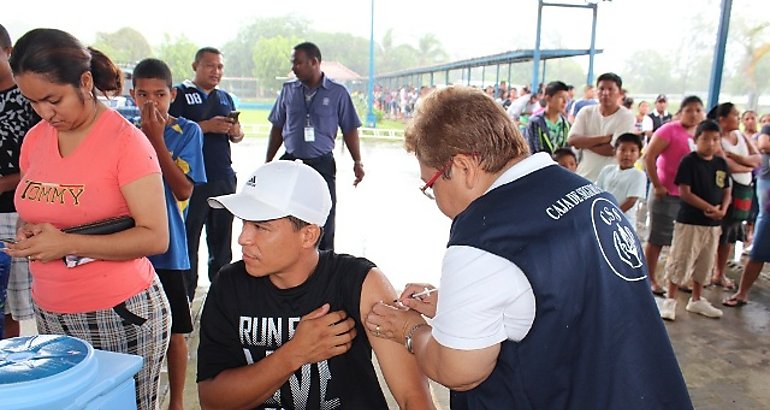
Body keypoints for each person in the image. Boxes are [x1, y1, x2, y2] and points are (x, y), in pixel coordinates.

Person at [364, 86, 691, 409]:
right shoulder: (588, 194)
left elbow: (458, 370)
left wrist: (410, 330)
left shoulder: (487, 235)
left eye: (431, 185)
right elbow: (565, 302)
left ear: (463, 167)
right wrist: (459, 306)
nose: (434, 198)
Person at [6, 28, 170, 410]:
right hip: (50, 311)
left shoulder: (125, 142)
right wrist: (29, 233)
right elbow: (38, 206)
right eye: (32, 103)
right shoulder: (36, 139)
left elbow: (155, 237)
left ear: (84, 82)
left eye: (53, 100)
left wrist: (66, 243)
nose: (45, 113)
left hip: (118, 312)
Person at [196, 160, 434, 409]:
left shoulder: (360, 282)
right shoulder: (230, 285)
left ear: (308, 235)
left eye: (260, 227)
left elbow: (413, 397)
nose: (243, 238)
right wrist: (295, 353)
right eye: (243, 223)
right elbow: (213, 401)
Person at [131, 58, 206, 410]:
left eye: (159, 94)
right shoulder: (123, 132)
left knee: (177, 330)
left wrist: (155, 139)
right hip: (132, 246)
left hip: (171, 247)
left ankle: (176, 400)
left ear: (172, 95)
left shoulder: (187, 132)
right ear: (132, 95)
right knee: (134, 327)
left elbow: (183, 190)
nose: (151, 103)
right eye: (143, 94)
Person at [266, 42, 364, 252]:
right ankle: (287, 260)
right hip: (291, 162)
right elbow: (277, 127)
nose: (294, 68)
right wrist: (268, 161)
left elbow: (349, 129)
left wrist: (357, 161)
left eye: (298, 63)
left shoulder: (338, 93)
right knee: (285, 216)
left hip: (322, 164)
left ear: (314, 62)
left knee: (324, 219)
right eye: (293, 63)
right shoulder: (288, 90)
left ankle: (323, 266)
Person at [169, 47, 243, 301]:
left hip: (223, 177)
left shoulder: (225, 98)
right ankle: (186, 296)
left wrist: (235, 132)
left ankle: (222, 296)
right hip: (194, 181)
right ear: (195, 66)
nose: (216, 71)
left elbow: (239, 135)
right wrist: (206, 127)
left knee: (222, 242)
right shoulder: (181, 94)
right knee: (189, 239)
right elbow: (172, 131)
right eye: (210, 66)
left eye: (220, 67)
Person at [658, 120, 731, 320]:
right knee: (681, 259)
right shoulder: (689, 161)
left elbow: (727, 190)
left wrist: (722, 209)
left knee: (705, 262)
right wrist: (708, 207)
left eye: (715, 139)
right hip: (690, 221)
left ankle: (697, 299)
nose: (710, 143)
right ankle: (670, 300)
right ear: (696, 139)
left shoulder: (721, 163)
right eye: (705, 139)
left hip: (713, 224)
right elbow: (685, 192)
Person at [642, 96, 704, 295]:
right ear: (680, 112)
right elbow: (649, 156)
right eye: (689, 110)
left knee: (683, 242)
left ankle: (678, 279)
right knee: (657, 238)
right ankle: (650, 278)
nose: (694, 114)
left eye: (698, 110)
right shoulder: (669, 129)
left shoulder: (700, 134)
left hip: (689, 197)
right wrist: (657, 185)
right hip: (666, 193)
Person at [0, 24, 39, 339]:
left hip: (15, 211)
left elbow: (45, 162)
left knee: (13, 304)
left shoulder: (31, 98)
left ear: (8, 52)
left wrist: (5, 183)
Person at [708, 103, 759, 290]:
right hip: (726, 189)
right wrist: (748, 165)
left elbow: (758, 159)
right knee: (717, 232)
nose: (738, 118)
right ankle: (709, 271)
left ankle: (719, 273)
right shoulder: (717, 139)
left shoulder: (741, 135)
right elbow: (726, 166)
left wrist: (740, 161)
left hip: (744, 189)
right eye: (735, 115)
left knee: (730, 234)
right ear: (722, 119)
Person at [724, 122, 770, 307]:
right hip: (768, 206)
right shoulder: (767, 130)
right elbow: (764, 144)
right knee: (758, 252)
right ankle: (742, 292)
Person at [567, 72, 636, 182]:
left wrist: (584, 143)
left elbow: (613, 150)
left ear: (619, 93)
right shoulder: (586, 112)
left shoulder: (626, 116)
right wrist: (604, 139)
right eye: (601, 89)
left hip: (611, 180)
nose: (605, 93)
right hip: (584, 176)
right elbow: (572, 140)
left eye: (610, 89)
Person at [596, 133, 647, 227]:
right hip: (602, 217)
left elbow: (631, 201)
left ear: (639, 155)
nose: (627, 154)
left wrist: (611, 215)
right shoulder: (607, 170)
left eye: (632, 151)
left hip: (623, 222)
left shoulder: (638, 175)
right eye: (623, 150)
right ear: (615, 152)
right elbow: (598, 192)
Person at [524, 80, 571, 155]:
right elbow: (530, 149)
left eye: (567, 99)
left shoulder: (566, 125)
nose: (565, 102)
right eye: (561, 97)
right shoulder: (535, 122)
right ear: (548, 98)